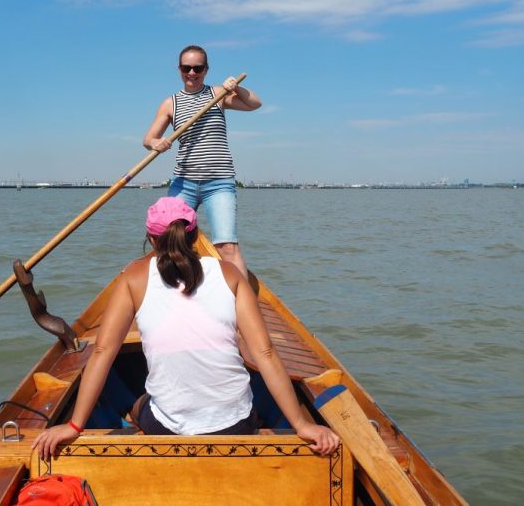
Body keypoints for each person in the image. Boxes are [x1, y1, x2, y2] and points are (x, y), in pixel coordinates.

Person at [33, 197, 339, 460]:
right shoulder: (230, 274)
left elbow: (102, 352)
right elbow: (265, 352)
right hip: (236, 426)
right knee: (249, 397)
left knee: (137, 402)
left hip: (166, 428)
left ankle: (134, 419)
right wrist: (301, 424)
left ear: (151, 240)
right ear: (193, 237)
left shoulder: (132, 278)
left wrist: (73, 426)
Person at [143, 45, 261, 278]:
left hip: (219, 183)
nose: (192, 73)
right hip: (183, 182)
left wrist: (236, 87)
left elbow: (254, 104)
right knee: (167, 242)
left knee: (227, 247)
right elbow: (148, 138)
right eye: (186, 68)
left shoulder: (217, 94)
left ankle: (242, 306)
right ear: (179, 69)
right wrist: (156, 143)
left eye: (198, 68)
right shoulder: (170, 103)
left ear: (206, 70)